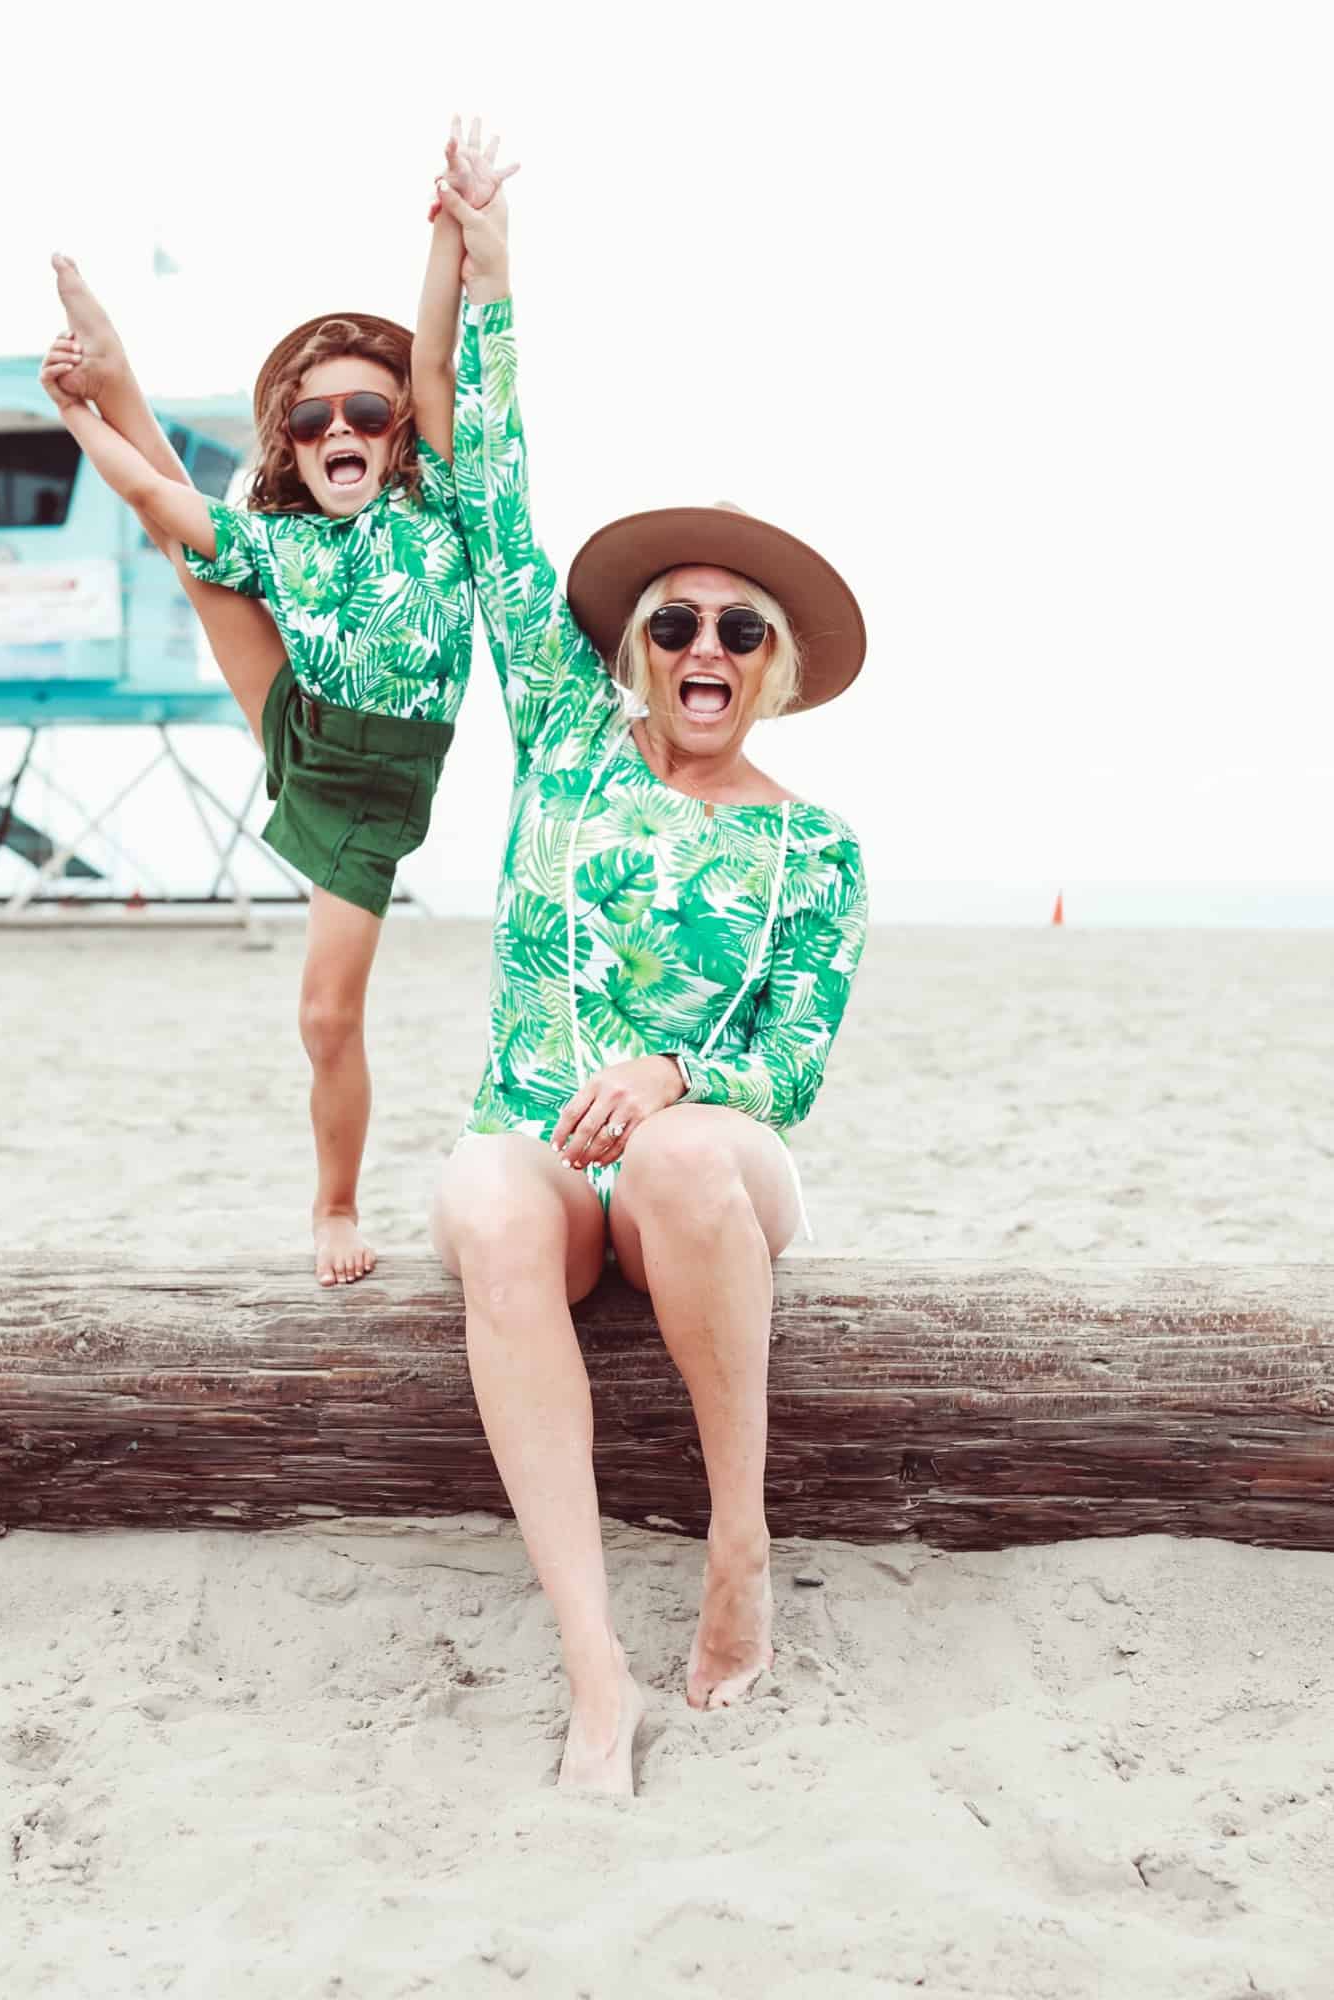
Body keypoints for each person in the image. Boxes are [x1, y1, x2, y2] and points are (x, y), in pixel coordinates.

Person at [429, 164, 869, 1796]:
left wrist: (678, 1077)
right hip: (547, 1154)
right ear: (636, 647)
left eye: (738, 631)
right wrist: (493, 280)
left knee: (682, 1152)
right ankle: (596, 1674)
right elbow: (488, 506)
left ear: (775, 670)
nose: (703, 645)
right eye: (676, 619)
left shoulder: (816, 848)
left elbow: (796, 1064)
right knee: (478, 1194)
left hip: (706, 1168)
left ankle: (740, 1543)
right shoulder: (562, 739)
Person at [37, 123, 515, 1287]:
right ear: (290, 449)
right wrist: (81, 417)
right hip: (300, 720)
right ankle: (116, 365)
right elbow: (159, 495)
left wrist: (456, 230)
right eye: (312, 423)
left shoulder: (439, 503)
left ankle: (337, 1204)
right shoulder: (282, 540)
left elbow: (444, 362)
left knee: (323, 1016)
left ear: (395, 432)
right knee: (191, 551)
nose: (338, 431)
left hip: (372, 778)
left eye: (361, 413)